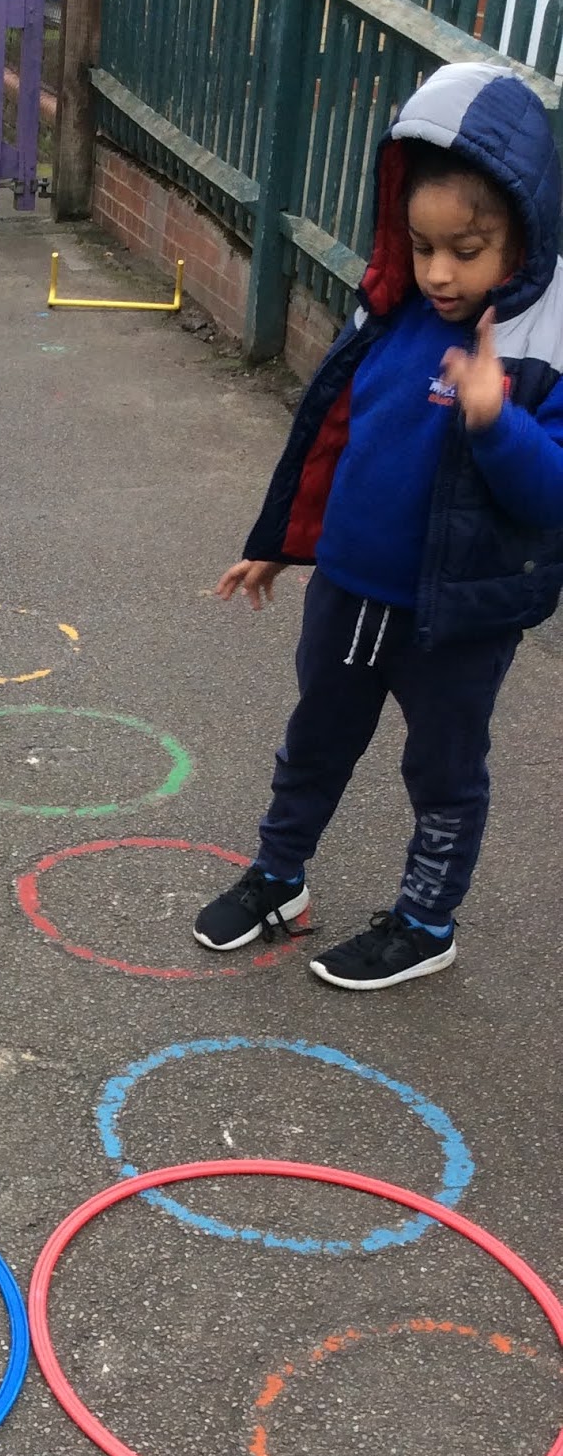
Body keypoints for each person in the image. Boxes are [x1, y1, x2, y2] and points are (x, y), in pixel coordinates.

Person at [193, 61, 563, 989]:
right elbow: (335, 439)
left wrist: (496, 420)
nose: (439, 271)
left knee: (443, 772)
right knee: (314, 739)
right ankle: (281, 880)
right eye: (422, 243)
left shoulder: (538, 348)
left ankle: (427, 922)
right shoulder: (390, 312)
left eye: (467, 249)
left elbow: (550, 497)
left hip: (454, 619)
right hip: (350, 587)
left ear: (522, 234)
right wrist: (281, 543)